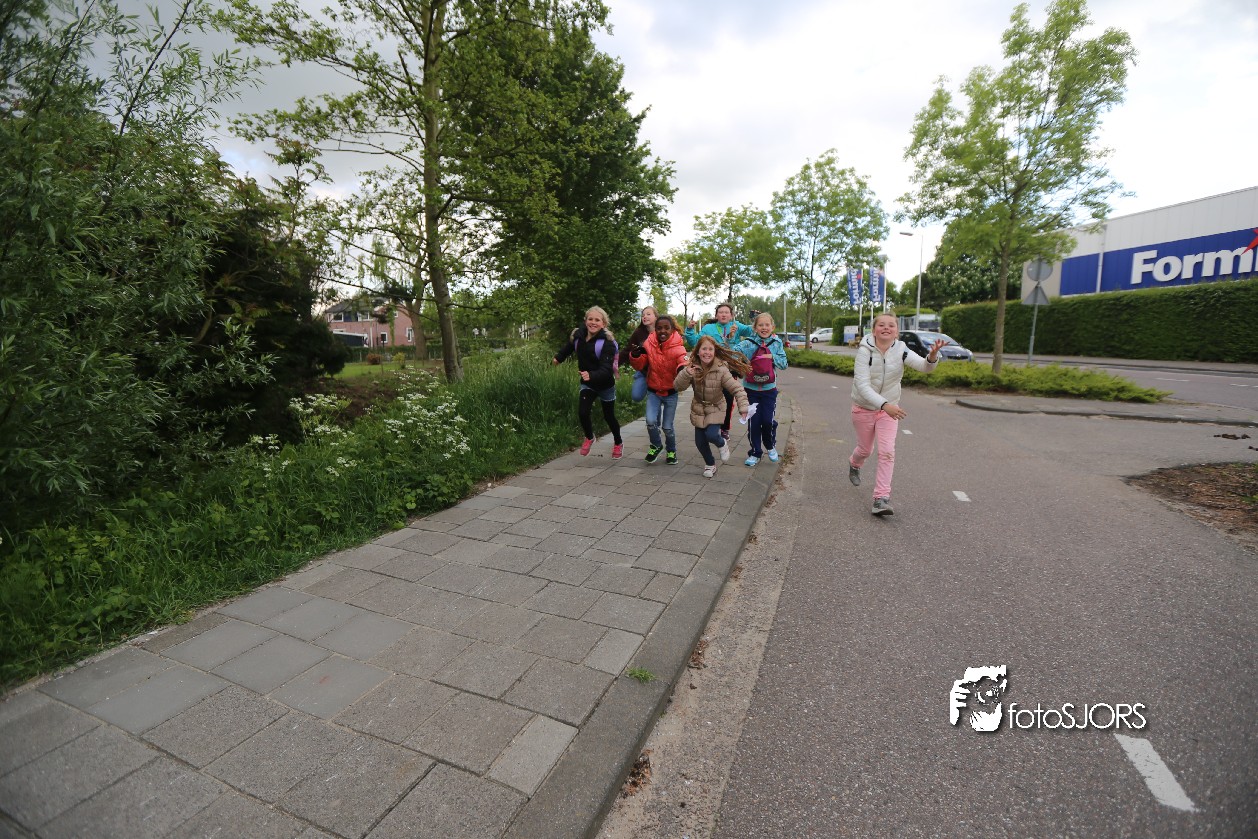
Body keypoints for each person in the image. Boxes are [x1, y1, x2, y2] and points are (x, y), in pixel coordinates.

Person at [849, 313, 945, 515]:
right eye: (881, 325)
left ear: (896, 332)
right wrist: (884, 405)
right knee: (865, 450)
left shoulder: (901, 349)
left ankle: (881, 499)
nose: (886, 328)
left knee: (887, 452)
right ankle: (854, 464)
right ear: (874, 330)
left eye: (891, 325)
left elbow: (924, 367)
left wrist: (932, 357)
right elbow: (862, 386)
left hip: (889, 410)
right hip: (864, 407)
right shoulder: (864, 351)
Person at [552, 306, 624, 458]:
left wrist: (591, 375)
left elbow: (607, 369)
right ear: (585, 321)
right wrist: (558, 358)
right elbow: (568, 348)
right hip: (588, 383)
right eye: (590, 319)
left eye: (597, 320)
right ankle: (590, 437)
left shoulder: (608, 343)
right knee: (583, 412)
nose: (593, 322)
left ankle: (618, 442)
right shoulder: (578, 336)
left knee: (609, 416)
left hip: (605, 384)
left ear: (603, 324)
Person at [675, 335, 750, 478]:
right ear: (698, 351)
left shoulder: (721, 369)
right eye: (704, 349)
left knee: (711, 434)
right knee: (700, 442)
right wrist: (686, 374)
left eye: (710, 349)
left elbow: (737, 389)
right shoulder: (692, 368)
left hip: (716, 407)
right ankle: (710, 464)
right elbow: (678, 387)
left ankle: (722, 443)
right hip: (699, 408)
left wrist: (743, 407)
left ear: (715, 352)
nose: (707, 352)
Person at [684, 302, 753, 441]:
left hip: (730, 368)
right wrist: (690, 329)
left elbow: (752, 331)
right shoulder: (708, 328)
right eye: (721, 312)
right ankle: (709, 423)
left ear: (731, 315)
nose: (723, 314)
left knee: (728, 398)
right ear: (716, 315)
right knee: (711, 397)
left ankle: (724, 428)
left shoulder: (736, 326)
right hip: (712, 368)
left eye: (727, 312)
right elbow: (695, 342)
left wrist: (755, 319)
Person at [628, 315, 688, 465]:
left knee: (667, 427)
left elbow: (683, 361)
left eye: (666, 328)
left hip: (671, 393)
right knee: (650, 421)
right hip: (653, 391)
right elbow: (640, 365)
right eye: (659, 328)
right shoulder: (649, 344)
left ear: (672, 330)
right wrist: (635, 355)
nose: (662, 331)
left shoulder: (678, 347)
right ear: (655, 329)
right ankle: (656, 445)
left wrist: (682, 369)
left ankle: (671, 450)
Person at [736, 312, 788, 466]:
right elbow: (733, 354)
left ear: (772, 327)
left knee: (767, 421)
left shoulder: (776, 343)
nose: (764, 328)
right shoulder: (748, 343)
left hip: (769, 391)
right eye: (760, 325)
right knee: (754, 422)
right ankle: (755, 452)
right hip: (750, 390)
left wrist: (772, 357)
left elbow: (784, 364)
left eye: (767, 325)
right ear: (755, 328)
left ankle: (770, 445)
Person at [620, 306, 657, 403]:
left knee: (655, 399)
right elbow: (628, 350)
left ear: (656, 317)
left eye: (648, 314)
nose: (645, 316)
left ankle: (652, 399)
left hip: (658, 372)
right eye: (643, 315)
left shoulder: (661, 331)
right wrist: (615, 363)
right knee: (636, 396)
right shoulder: (638, 333)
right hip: (643, 371)